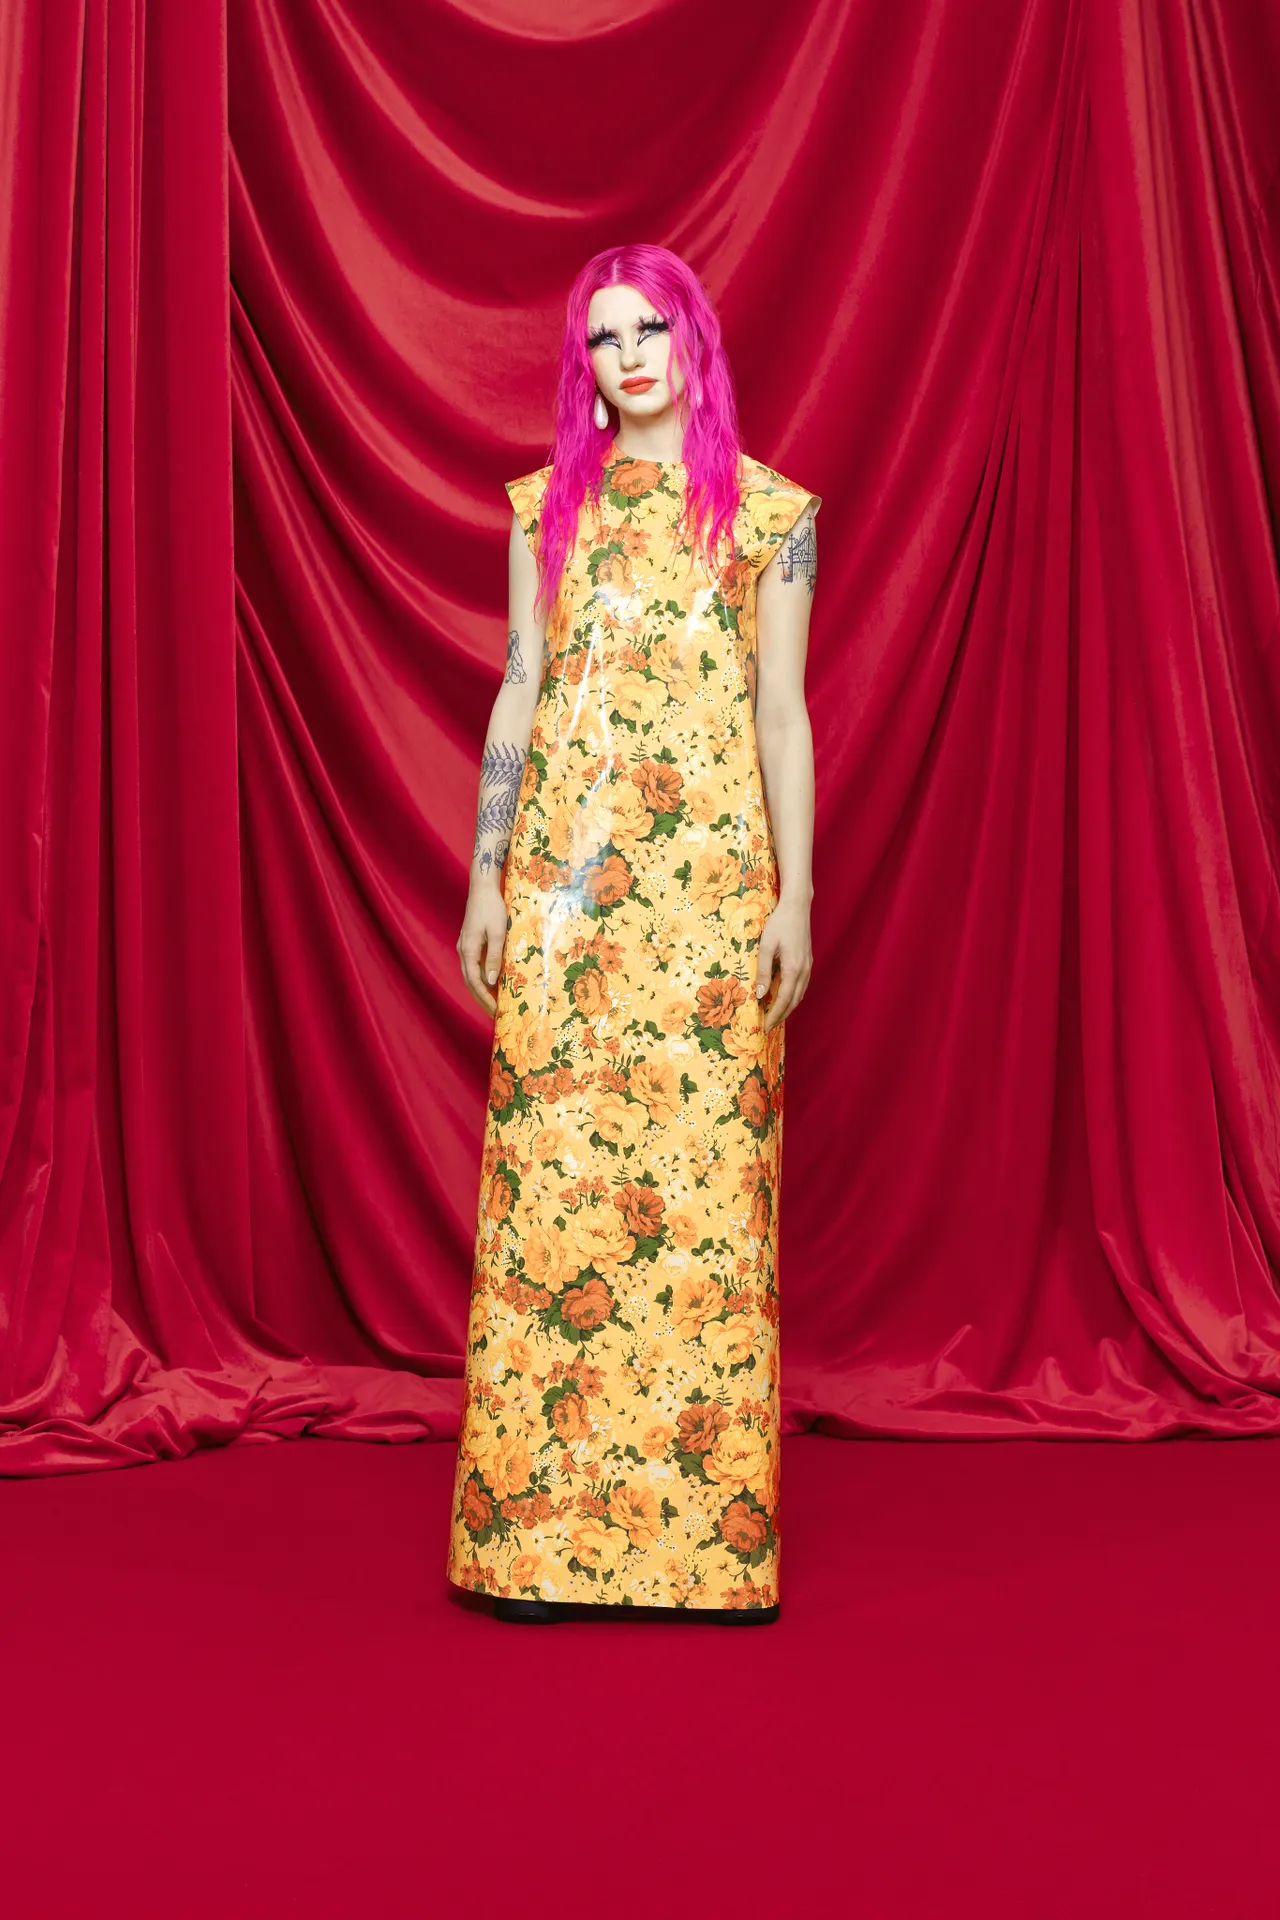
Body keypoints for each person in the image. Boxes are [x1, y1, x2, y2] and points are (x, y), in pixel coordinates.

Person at [447, 243, 820, 1622]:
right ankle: (529, 1548)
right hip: (565, 899)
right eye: (604, 338)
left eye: (650, 327)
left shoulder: (772, 516)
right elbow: (519, 688)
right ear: (585, 369)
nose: (630, 354)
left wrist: (796, 895)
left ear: (692, 340)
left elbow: (783, 713)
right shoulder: (545, 510)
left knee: (711, 1206)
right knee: (552, 1201)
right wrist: (487, 875)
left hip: (712, 906)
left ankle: (706, 1559)